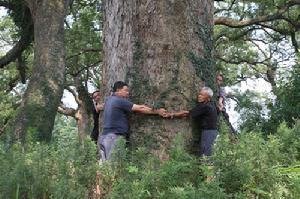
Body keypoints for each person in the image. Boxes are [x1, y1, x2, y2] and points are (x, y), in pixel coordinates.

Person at [99, 81, 167, 161]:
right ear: (118, 90)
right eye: (126, 90)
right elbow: (140, 108)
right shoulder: (119, 100)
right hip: (113, 137)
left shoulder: (108, 100)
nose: (128, 93)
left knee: (104, 165)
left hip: (105, 137)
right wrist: (157, 111)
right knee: (112, 165)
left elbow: (100, 107)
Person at [170, 87, 218, 157]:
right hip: (212, 132)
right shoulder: (211, 104)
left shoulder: (206, 106)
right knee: (206, 152)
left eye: (202, 95)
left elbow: (187, 113)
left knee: (206, 155)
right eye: (199, 94)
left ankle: (207, 167)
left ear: (208, 98)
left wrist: (172, 114)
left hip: (209, 132)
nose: (199, 96)